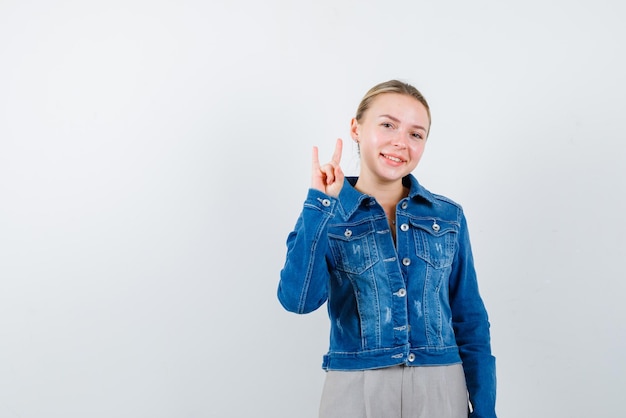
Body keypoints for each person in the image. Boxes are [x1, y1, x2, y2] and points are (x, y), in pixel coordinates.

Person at [277, 80, 496, 418]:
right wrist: (319, 205)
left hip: (439, 385)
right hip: (355, 385)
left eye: (415, 134)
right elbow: (298, 300)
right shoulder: (326, 214)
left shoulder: (447, 217)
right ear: (356, 128)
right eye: (388, 125)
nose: (400, 142)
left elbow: (470, 319)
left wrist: (484, 409)